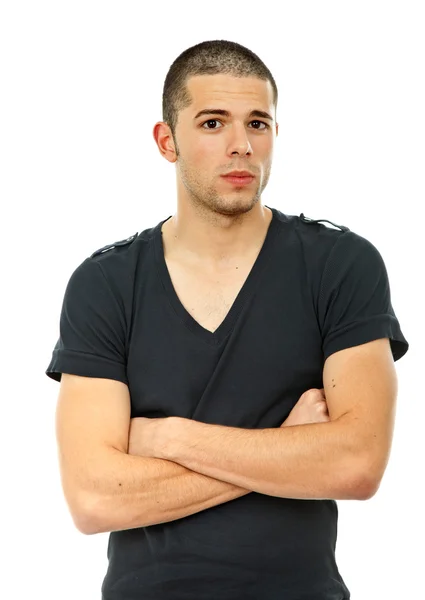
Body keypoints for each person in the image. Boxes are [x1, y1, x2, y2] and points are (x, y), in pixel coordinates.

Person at [45, 39, 409, 600]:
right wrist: (285, 448)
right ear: (167, 141)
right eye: (213, 123)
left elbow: (358, 464)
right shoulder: (105, 284)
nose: (241, 145)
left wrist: (167, 438)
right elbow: (95, 500)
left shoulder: (340, 265)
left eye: (257, 123)